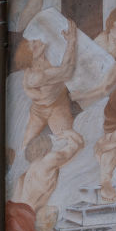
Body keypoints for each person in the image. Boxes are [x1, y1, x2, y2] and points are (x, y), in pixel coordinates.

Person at [15, 18, 78, 150]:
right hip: (38, 111)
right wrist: (71, 42)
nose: (37, 41)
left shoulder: (50, 58)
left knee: (68, 142)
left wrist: (69, 42)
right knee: (25, 147)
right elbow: (67, 72)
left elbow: (64, 67)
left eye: (34, 41)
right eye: (33, 44)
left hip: (58, 106)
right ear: (31, 55)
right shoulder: (35, 76)